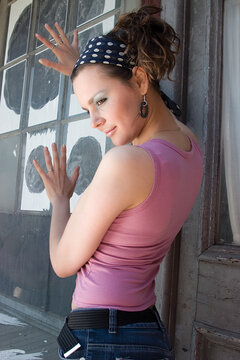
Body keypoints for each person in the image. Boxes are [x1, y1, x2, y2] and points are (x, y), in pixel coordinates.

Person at [33, 5, 203, 360]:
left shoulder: (127, 163)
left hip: (104, 339)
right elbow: (144, 110)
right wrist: (90, 72)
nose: (94, 120)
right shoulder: (189, 145)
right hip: (141, 332)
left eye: (101, 101)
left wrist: (61, 200)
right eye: (87, 108)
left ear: (141, 80)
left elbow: (63, 263)